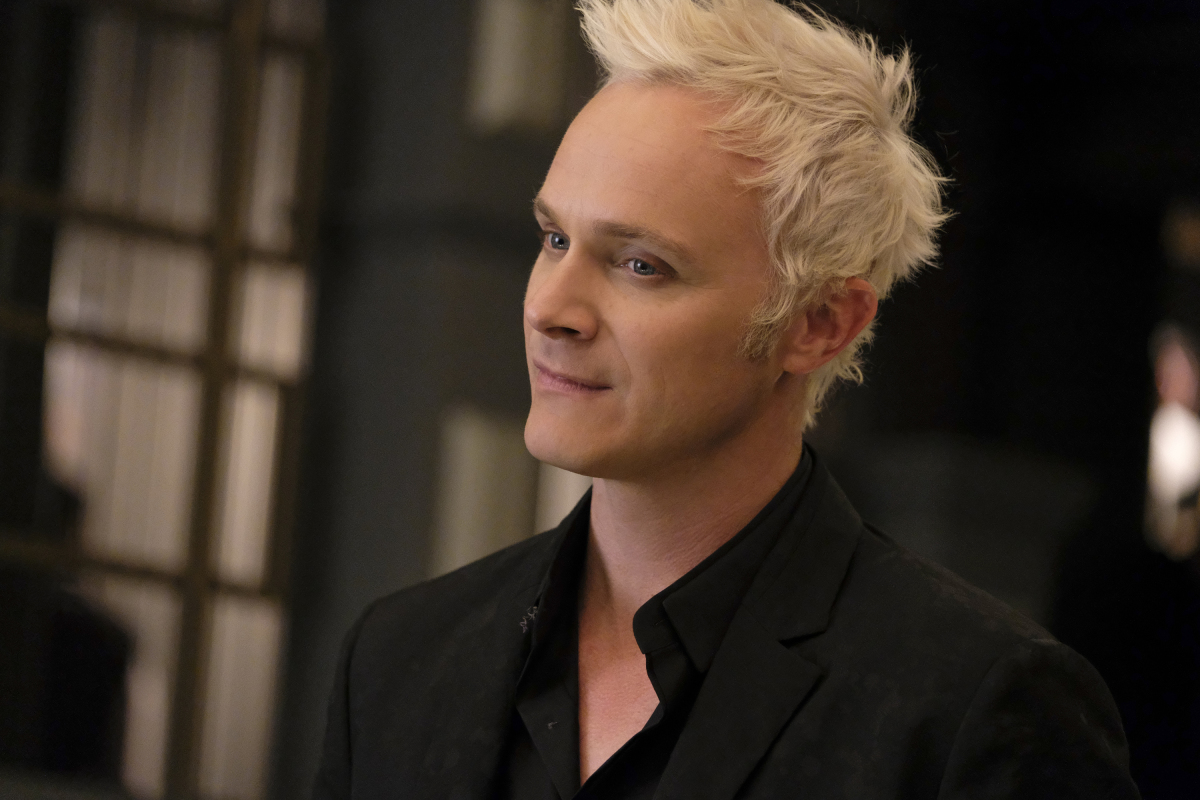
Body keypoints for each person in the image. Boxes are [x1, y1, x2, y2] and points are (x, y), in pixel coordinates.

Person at [313, 1, 1140, 797]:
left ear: (819, 324)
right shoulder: (396, 660)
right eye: (554, 238)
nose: (550, 309)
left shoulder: (972, 706)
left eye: (641, 265)